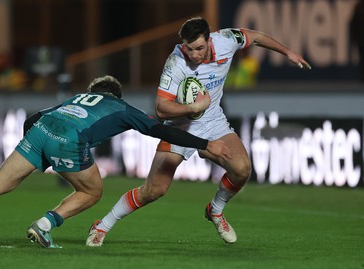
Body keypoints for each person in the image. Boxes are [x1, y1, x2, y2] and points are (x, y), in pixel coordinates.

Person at [89, 17, 311, 247]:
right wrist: (193, 108)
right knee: (154, 190)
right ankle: (102, 226)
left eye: (199, 48)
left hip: (214, 122)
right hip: (179, 127)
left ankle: (215, 210)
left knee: (242, 169)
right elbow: (161, 109)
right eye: (189, 48)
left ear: (209, 39)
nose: (193, 54)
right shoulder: (175, 63)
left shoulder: (226, 40)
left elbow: (255, 36)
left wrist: (288, 52)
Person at [0, 75, 232, 248]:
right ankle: (44, 224)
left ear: (92, 91)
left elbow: (30, 120)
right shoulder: (122, 108)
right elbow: (161, 130)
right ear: (117, 95)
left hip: (40, 131)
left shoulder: (75, 98)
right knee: (92, 191)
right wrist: (206, 144)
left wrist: (39, 154)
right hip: (69, 139)